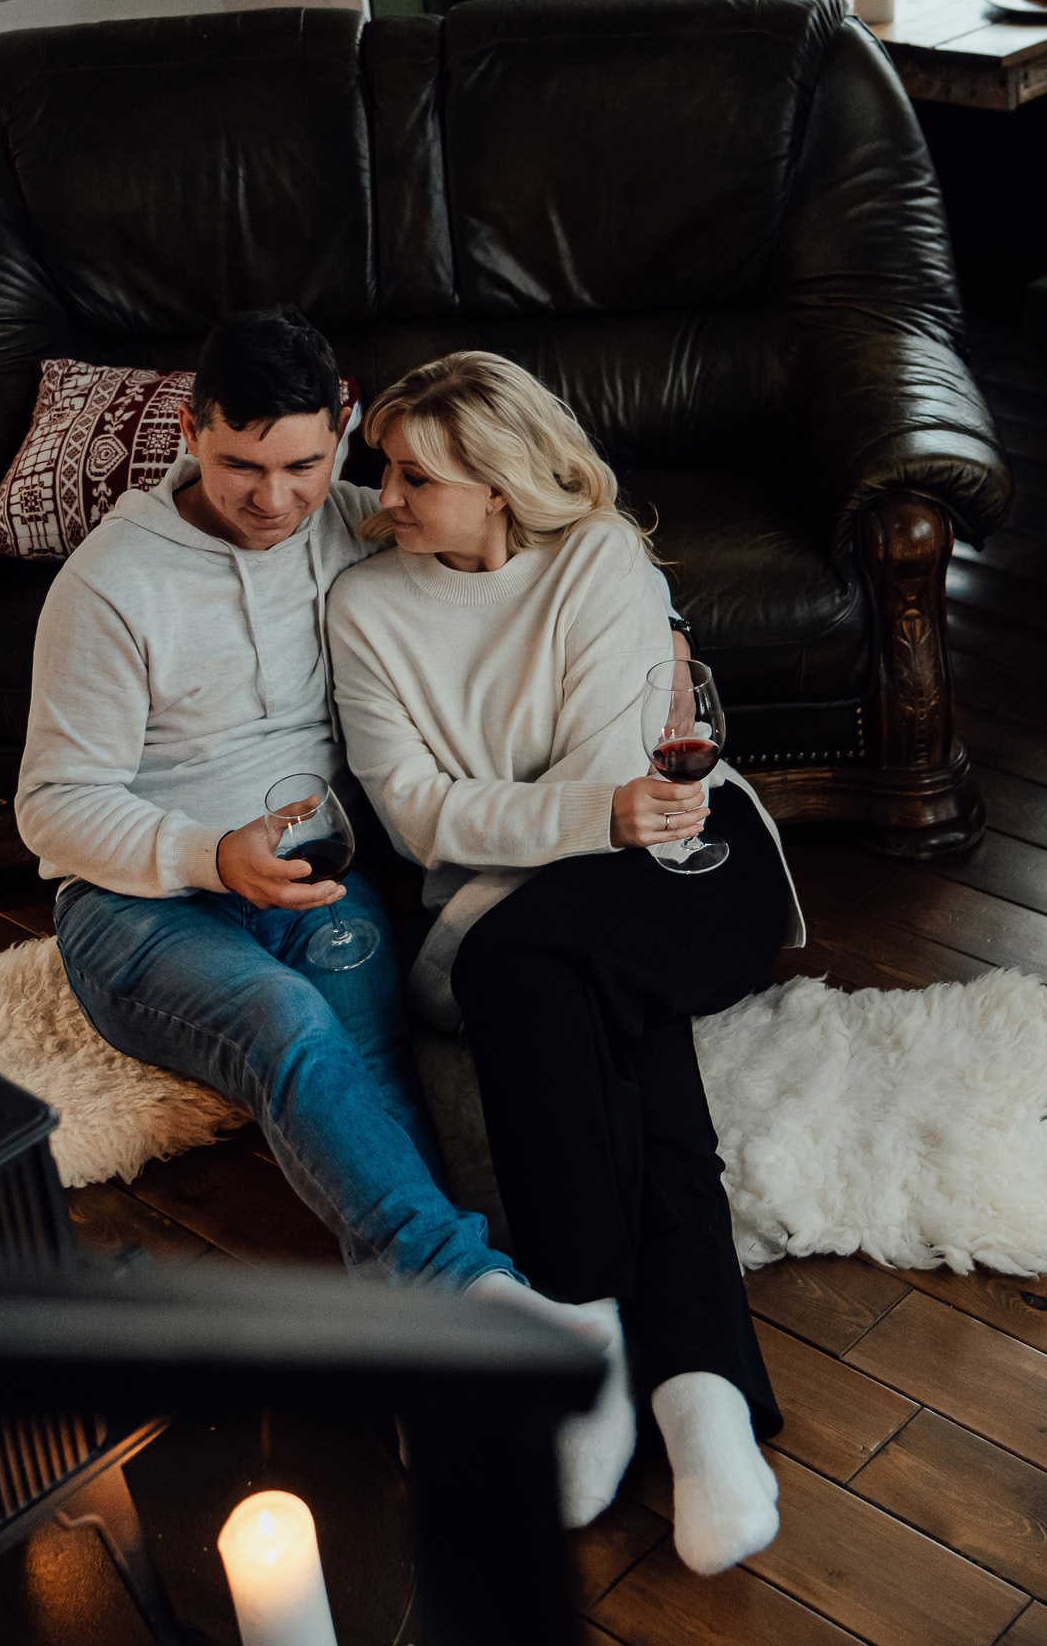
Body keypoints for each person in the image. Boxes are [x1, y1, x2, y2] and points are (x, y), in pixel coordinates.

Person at [15, 307, 632, 1517]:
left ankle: (421, 1380)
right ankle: (481, 1299)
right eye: (240, 465)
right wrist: (204, 852)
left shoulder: (358, 513)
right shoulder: (111, 585)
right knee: (284, 1025)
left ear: (343, 424)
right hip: (141, 907)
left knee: (371, 1066)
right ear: (190, 432)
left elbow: (528, 538)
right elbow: (51, 809)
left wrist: (652, 627)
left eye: (304, 463)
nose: (275, 499)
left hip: (314, 880)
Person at [326, 351, 807, 1576]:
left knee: (523, 969)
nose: (380, 494)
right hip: (564, 894)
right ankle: (703, 1402)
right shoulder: (366, 607)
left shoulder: (600, 558)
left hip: (694, 867)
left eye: (412, 474)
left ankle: (581, 1350)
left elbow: (631, 788)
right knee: (605, 1020)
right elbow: (413, 816)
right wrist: (585, 820)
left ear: (494, 484)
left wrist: (576, 820)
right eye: (384, 468)